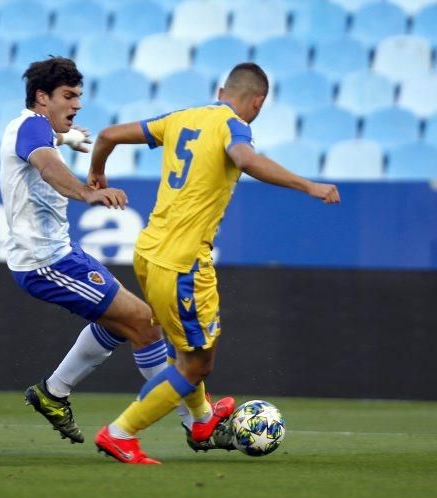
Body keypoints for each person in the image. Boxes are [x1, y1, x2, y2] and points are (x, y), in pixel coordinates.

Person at [89, 62, 340, 464]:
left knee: (183, 352)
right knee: (198, 363)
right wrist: (308, 185)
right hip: (184, 263)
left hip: (148, 252)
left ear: (222, 89)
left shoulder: (180, 117)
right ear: (257, 102)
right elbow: (245, 159)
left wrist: (97, 171)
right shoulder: (234, 125)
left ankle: (202, 419)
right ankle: (120, 433)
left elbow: (106, 135)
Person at [0, 57, 182, 444]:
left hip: (62, 253)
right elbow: (47, 166)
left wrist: (69, 138)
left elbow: (50, 145)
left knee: (120, 323)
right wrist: (87, 192)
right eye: (68, 96)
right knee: (145, 325)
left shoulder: (36, 130)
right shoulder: (30, 128)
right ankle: (194, 419)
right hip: (45, 262)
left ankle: (54, 392)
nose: (77, 104)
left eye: (79, 96)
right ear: (41, 97)